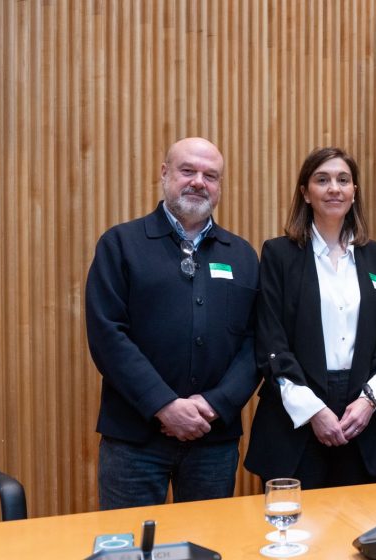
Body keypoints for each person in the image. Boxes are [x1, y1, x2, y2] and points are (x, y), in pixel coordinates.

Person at [85, 137, 259, 509]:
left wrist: (214, 404)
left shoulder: (242, 255)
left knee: (208, 539)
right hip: (134, 439)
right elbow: (107, 335)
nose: (198, 182)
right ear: (164, 174)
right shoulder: (120, 244)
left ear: (220, 186)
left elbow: (255, 342)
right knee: (129, 538)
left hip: (213, 439)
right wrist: (164, 405)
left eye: (210, 175)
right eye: (187, 171)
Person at [244, 147, 376, 489]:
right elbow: (271, 340)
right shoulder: (279, 254)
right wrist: (313, 410)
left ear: (354, 192)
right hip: (295, 417)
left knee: (357, 519)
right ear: (305, 192)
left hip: (360, 417)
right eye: (322, 180)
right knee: (296, 521)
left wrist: (369, 401)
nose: (334, 189)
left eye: (343, 180)